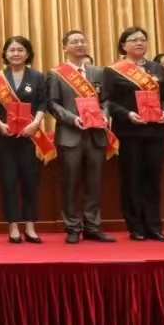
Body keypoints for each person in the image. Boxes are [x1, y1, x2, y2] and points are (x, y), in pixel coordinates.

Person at [101, 26, 164, 242]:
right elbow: (107, 100)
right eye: (133, 40)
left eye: (143, 39)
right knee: (132, 178)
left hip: (155, 131)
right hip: (129, 131)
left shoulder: (157, 68)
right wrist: (127, 114)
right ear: (124, 45)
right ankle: (135, 226)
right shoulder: (113, 70)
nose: (139, 43)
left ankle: (154, 226)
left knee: (153, 179)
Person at [47, 30, 115, 244]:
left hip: (96, 134)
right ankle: (73, 226)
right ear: (64, 47)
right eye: (74, 42)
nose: (79, 45)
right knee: (70, 183)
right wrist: (72, 119)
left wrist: (104, 115)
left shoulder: (98, 72)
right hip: (70, 135)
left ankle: (93, 226)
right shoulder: (56, 74)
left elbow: (106, 100)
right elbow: (52, 104)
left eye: (82, 41)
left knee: (94, 183)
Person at [0, 36, 51, 244]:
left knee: (30, 181)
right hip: (5, 137)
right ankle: (12, 225)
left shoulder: (37, 77)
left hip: (29, 138)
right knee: (9, 181)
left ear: (27, 53)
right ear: (5, 54)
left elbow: (43, 103)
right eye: (12, 50)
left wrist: (36, 124)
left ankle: (30, 225)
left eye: (20, 50)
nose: (16, 54)